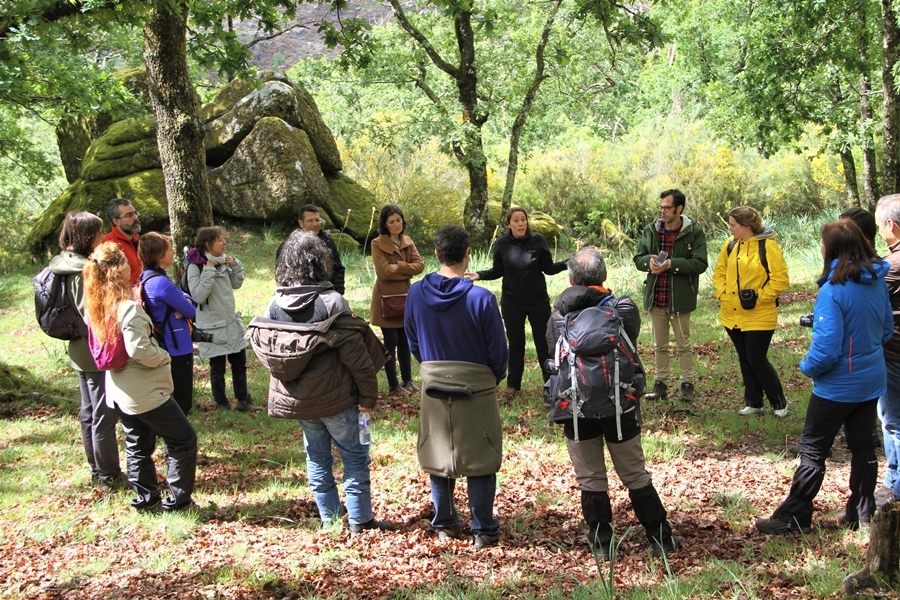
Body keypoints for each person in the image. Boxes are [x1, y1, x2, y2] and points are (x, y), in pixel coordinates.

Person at [248, 230, 392, 533]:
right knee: (354, 456)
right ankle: (360, 521)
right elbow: (358, 359)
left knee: (316, 457)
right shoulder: (331, 301)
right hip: (337, 399)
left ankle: (330, 520)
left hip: (300, 402)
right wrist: (368, 397)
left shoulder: (274, 305)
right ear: (320, 261)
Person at [756, 220, 892, 533]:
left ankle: (794, 515)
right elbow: (885, 330)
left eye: (823, 243)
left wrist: (807, 367)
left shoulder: (833, 291)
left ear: (831, 249)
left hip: (838, 385)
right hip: (871, 380)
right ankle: (862, 510)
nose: (820, 248)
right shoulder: (876, 282)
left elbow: (828, 348)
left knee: (813, 450)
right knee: (863, 446)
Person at [547, 246, 681, 558]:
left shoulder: (557, 317)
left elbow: (550, 358)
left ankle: (602, 546)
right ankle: (661, 539)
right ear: (604, 275)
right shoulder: (622, 307)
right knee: (635, 473)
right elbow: (631, 343)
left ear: (570, 280)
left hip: (574, 407)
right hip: (620, 403)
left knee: (590, 477)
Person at [405, 225, 509, 549]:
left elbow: (412, 341)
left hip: (434, 382)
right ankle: (483, 529)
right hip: (476, 385)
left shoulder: (415, 294)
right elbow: (499, 352)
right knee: (480, 455)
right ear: (467, 255)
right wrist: (491, 377)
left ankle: (446, 524)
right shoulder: (482, 297)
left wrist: (435, 369)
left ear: (436, 254)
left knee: (438, 451)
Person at [83, 242, 199, 513]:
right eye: (125, 261)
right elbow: (138, 349)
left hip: (119, 389)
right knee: (183, 438)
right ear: (118, 270)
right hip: (144, 391)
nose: (130, 264)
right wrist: (164, 356)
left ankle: (146, 502)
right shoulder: (127, 309)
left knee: (137, 445)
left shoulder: (96, 307)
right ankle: (180, 503)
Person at [48, 211, 124, 489]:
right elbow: (91, 314)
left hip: (80, 348)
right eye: (98, 233)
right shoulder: (82, 269)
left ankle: (98, 470)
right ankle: (108, 474)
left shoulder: (64, 262)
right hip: (93, 350)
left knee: (90, 412)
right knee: (102, 413)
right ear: (86, 236)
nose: (102, 238)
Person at [466, 207, 567, 394]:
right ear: (508, 224)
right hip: (512, 302)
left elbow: (549, 268)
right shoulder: (502, 244)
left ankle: (551, 384)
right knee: (516, 344)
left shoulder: (538, 241)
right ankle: (513, 386)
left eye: (523, 220)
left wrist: (569, 263)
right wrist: (478, 274)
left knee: (543, 343)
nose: (521, 224)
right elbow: (497, 271)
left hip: (538, 301)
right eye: (516, 220)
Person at [713, 206, 790, 416]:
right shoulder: (730, 244)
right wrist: (722, 292)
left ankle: (779, 402)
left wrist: (759, 297)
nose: (730, 229)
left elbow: (780, 279)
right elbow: (719, 271)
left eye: (733, 225)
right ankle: (754, 402)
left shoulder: (768, 246)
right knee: (745, 358)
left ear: (746, 226)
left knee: (757, 358)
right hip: (732, 313)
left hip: (760, 314)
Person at [634, 189, 708, 402]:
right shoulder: (651, 230)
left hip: (680, 298)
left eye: (667, 207)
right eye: (661, 207)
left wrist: (671, 264)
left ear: (679, 209)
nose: (663, 211)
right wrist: (648, 260)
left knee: (684, 344)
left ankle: (687, 384)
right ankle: (660, 384)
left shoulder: (693, 232)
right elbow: (638, 257)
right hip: (656, 296)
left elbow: (700, 263)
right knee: (660, 345)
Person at [185, 226, 254, 411]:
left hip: (231, 323)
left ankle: (243, 400)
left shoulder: (223, 261)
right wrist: (208, 272)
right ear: (208, 244)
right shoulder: (195, 266)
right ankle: (222, 403)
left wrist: (235, 264)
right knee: (218, 369)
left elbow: (236, 283)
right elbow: (198, 296)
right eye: (220, 240)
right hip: (213, 327)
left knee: (239, 363)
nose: (225, 243)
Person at [138, 232, 198, 416]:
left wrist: (183, 299)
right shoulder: (161, 283)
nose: (173, 252)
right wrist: (184, 301)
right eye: (169, 249)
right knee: (181, 392)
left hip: (165, 342)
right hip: (175, 345)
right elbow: (191, 310)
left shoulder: (147, 277)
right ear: (159, 256)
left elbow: (183, 298)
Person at [369, 204, 424, 396]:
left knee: (405, 341)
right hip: (386, 299)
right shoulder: (377, 243)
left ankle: (407, 380)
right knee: (390, 342)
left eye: (398, 220)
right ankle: (393, 385)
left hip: (405, 298)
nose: (396, 224)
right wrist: (405, 269)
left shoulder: (407, 241)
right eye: (391, 221)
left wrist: (397, 267)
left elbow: (419, 266)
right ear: (384, 224)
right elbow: (383, 272)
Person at [875, 194, 900, 505]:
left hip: (894, 353)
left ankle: (895, 483)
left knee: (894, 421)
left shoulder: (890, 266)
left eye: (881, 225)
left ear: (892, 225)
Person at [275, 204, 346, 294]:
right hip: (299, 297)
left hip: (327, 295)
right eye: (310, 221)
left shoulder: (328, 242)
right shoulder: (288, 246)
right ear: (301, 223)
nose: (315, 224)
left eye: (317, 220)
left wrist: (337, 293)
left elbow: (338, 269)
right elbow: (282, 274)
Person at [102, 198, 142, 286]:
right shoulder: (108, 244)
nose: (135, 217)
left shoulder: (138, 239)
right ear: (116, 221)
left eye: (135, 213)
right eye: (129, 215)